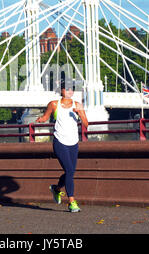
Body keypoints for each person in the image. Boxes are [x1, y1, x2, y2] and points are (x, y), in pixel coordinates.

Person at [35, 79, 88, 212]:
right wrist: (40, 120)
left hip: (73, 143)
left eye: (72, 89)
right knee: (70, 171)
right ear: (62, 91)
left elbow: (86, 124)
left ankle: (56, 189)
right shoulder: (53, 104)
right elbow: (46, 117)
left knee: (70, 172)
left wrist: (80, 113)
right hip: (59, 142)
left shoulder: (77, 105)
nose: (70, 91)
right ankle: (72, 202)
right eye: (67, 89)